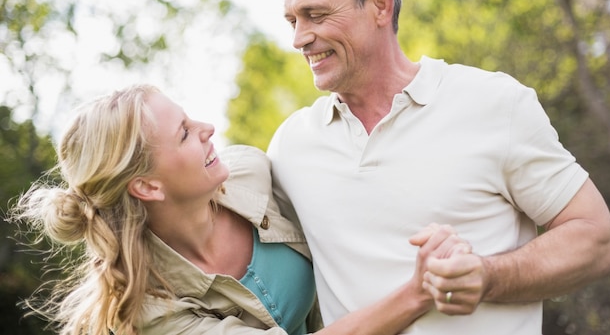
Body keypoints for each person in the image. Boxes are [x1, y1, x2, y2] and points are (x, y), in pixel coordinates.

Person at [267, 0, 610, 334]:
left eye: (316, 14)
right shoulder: (290, 147)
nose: (299, 38)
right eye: (292, 19)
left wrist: (488, 277)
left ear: (380, 3)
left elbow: (596, 241)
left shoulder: (493, 103)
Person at [9, 84, 470, 335]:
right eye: (185, 133)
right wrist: (417, 292)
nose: (208, 129)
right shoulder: (151, 310)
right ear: (147, 186)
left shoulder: (250, 171)